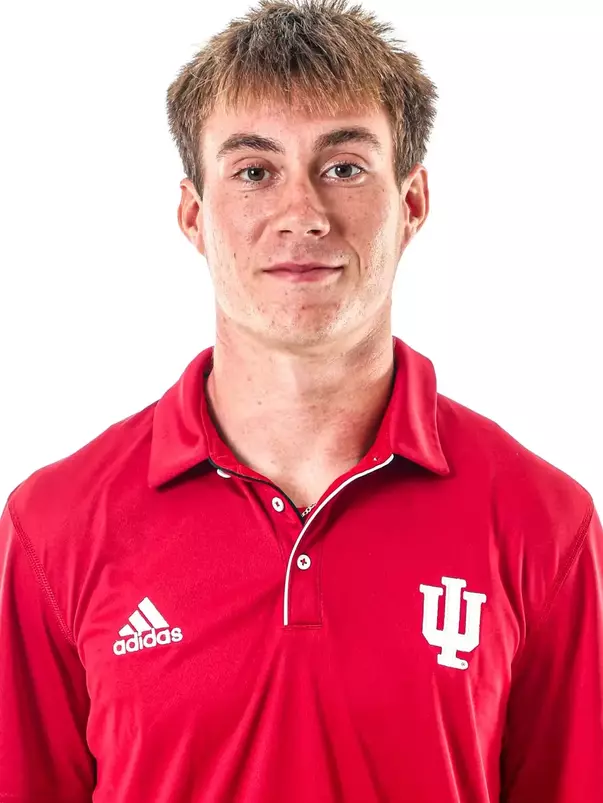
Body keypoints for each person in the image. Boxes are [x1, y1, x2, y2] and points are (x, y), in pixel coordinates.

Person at [1, 0, 601, 800]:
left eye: (344, 166)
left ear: (412, 202)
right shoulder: (54, 526)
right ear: (194, 215)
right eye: (254, 171)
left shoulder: (542, 521)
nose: (303, 215)